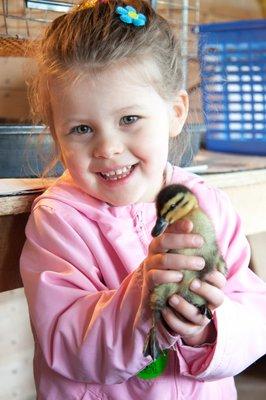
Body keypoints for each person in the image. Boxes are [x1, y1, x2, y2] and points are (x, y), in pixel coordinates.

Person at [20, 1, 266, 399]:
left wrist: (207, 329)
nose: (108, 148)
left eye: (129, 120)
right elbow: (66, 344)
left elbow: (255, 313)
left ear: (175, 112)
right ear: (55, 134)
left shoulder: (209, 204)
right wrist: (145, 301)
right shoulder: (60, 219)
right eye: (82, 128)